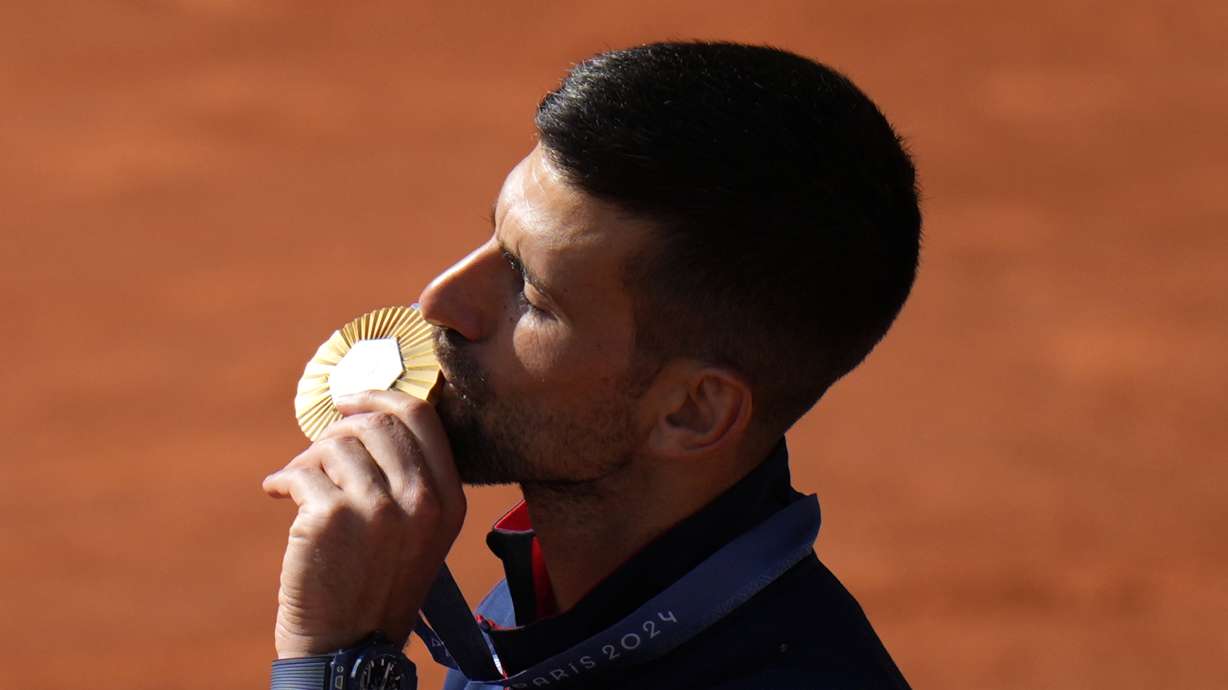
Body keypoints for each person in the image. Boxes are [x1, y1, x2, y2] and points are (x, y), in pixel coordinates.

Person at [263, 41, 921, 690]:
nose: (440, 299)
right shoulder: (560, 608)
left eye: (531, 290)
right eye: (494, 237)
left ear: (691, 410)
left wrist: (332, 668)